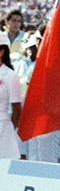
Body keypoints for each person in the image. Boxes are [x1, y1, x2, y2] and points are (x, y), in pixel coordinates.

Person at [0, 32, 21, 160]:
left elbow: (16, 108)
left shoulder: (10, 75)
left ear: (1, 52)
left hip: (3, 126)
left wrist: (11, 127)